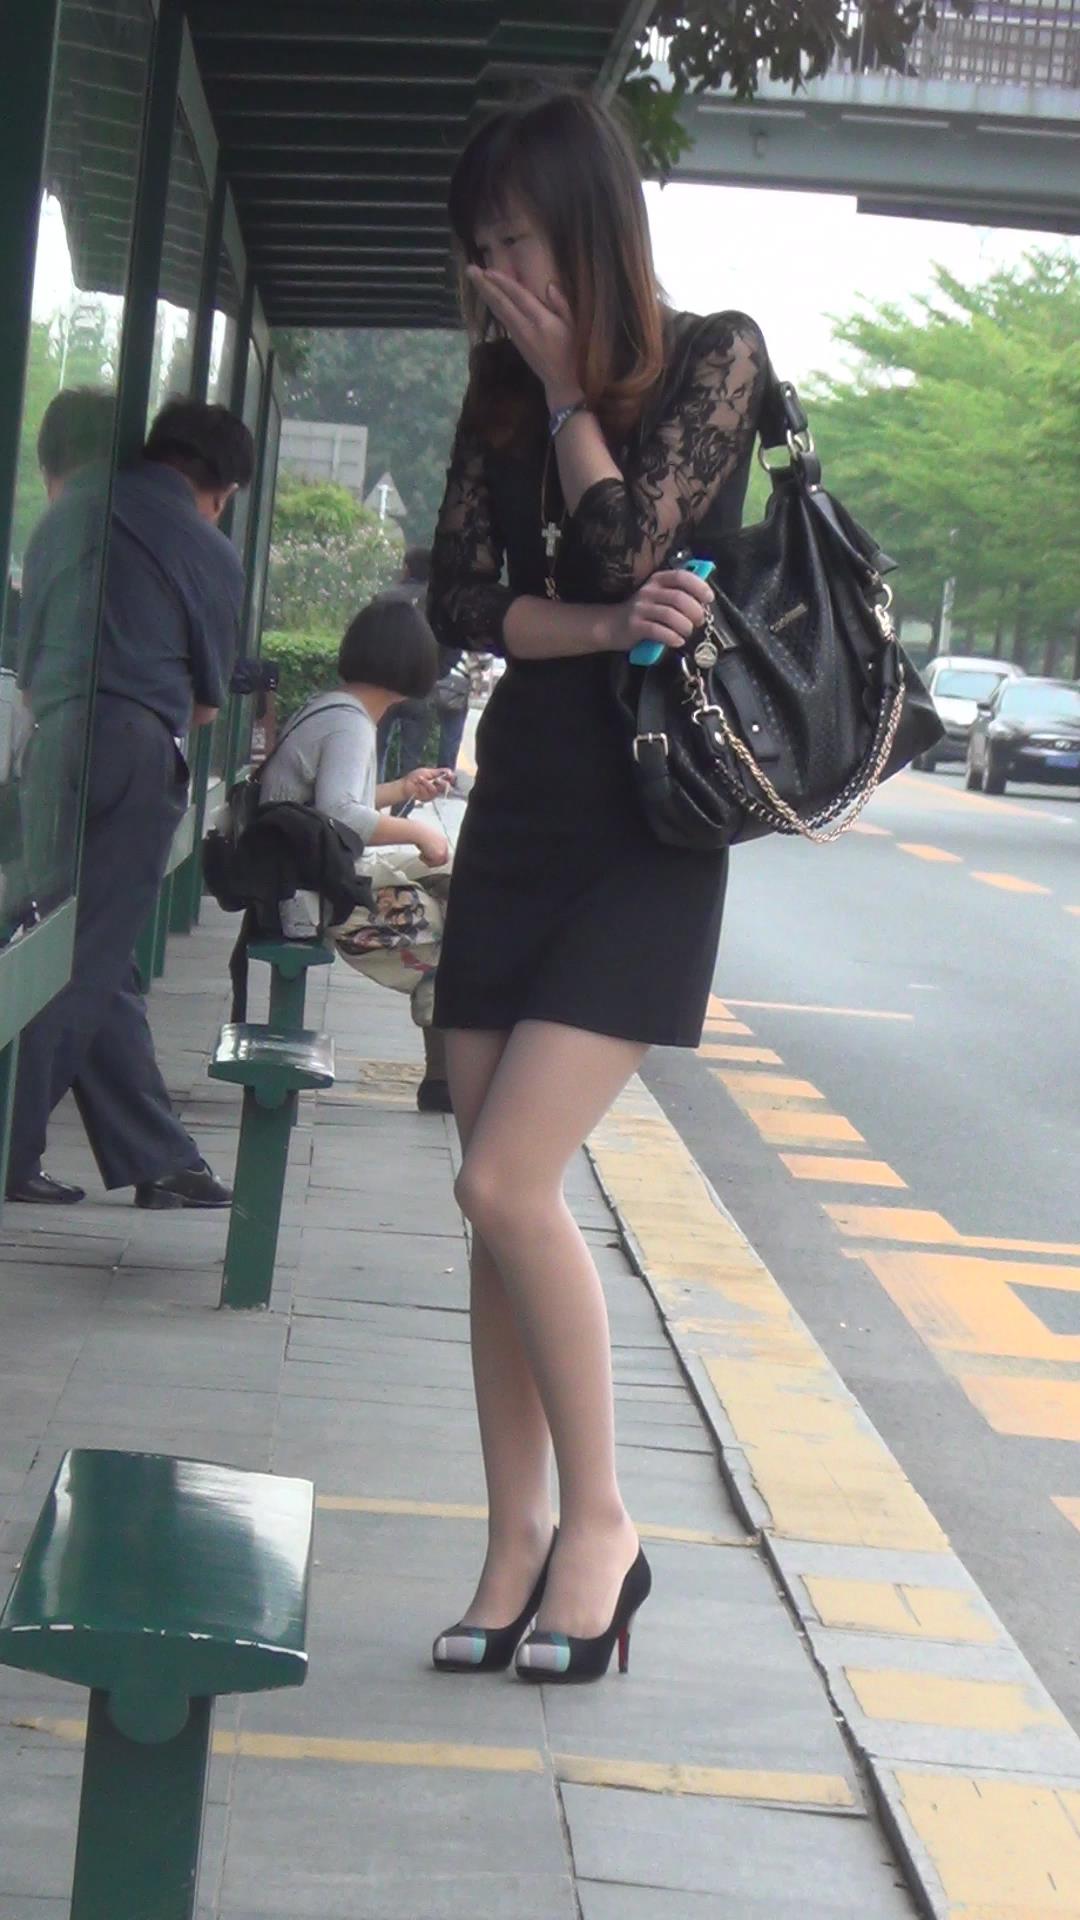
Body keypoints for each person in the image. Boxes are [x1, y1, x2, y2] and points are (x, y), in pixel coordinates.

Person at [426, 90, 768, 1683]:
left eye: (516, 243)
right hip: (523, 816)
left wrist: (573, 394)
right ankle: (514, 1544)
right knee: (488, 1207)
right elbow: (461, 601)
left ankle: (604, 1529)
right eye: (481, 251)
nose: (498, 278)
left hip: (646, 828)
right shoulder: (494, 395)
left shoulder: (715, 358)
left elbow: (631, 532)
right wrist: (601, 626)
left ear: (586, 226)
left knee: (508, 1182)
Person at [6, 393, 254, 1208]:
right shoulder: (207, 548)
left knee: (85, 947)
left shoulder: (64, 518)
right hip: (135, 750)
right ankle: (8, 1141)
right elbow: (207, 706)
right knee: (80, 959)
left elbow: (31, 672)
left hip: (53, 746)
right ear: (220, 488)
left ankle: (159, 1158)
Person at [259, 591, 454, 1111]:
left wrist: (403, 789)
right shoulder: (350, 724)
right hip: (313, 894)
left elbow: (336, 805)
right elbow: (341, 816)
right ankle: (446, 1075)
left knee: (466, 881)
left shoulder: (334, 708)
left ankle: (446, 1072)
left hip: (305, 872)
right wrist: (419, 834)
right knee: (458, 933)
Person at [377, 547, 470, 781]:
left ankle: (372, 798)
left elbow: (368, 640)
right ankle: (404, 800)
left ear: (406, 568)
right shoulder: (441, 604)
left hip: (383, 686)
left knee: (375, 752)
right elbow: (453, 646)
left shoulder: (384, 599)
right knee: (411, 757)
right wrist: (435, 672)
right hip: (421, 688)